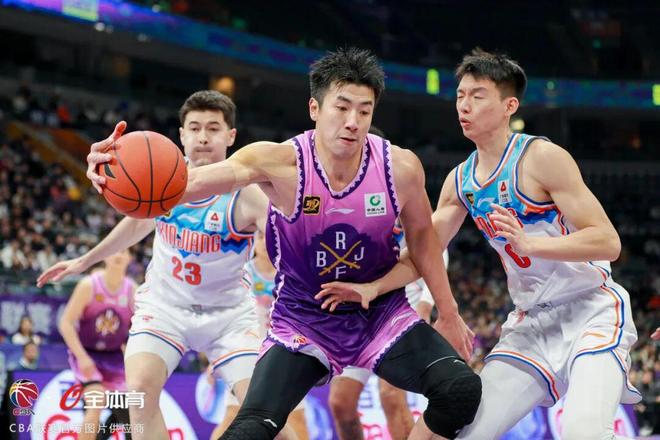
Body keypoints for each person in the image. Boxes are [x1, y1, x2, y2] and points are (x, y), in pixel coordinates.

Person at [87, 47, 481, 440]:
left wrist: (447, 311)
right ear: (314, 108)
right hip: (304, 320)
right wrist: (112, 173)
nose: (353, 122)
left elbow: (424, 240)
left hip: (379, 314)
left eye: (364, 111)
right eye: (342, 107)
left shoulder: (401, 168)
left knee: (460, 390)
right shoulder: (277, 163)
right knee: (252, 429)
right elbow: (184, 184)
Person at [318, 48, 641, 440]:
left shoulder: (541, 157)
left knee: (583, 432)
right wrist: (373, 286)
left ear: (509, 106)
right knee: (466, 430)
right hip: (532, 323)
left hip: (591, 310)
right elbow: (424, 251)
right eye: (460, 96)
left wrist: (530, 244)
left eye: (477, 95)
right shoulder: (461, 180)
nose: (464, 105)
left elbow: (607, 241)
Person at [38, 90, 297, 440]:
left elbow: (289, 245)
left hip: (229, 316)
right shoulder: (160, 181)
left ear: (231, 136)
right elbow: (136, 223)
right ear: (181, 135)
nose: (203, 137)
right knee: (139, 391)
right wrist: (85, 259)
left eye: (213, 128)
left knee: (268, 417)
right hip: (165, 308)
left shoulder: (249, 195)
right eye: (195, 128)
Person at [328, 219, 443, 440]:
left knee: (391, 395)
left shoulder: (400, 203)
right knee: (341, 403)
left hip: (398, 307)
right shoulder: (343, 210)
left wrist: (426, 303)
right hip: (358, 313)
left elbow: (435, 244)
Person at [212, 230, 309, 439]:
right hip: (247, 358)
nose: (265, 242)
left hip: (286, 358)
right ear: (253, 241)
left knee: (297, 420)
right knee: (232, 417)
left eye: (270, 236)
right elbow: (222, 317)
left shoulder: (294, 273)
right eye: (261, 237)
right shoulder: (240, 274)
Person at [57, 250, 135, 440]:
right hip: (87, 354)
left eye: (124, 251)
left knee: (131, 410)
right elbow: (66, 323)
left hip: (115, 357)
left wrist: (132, 355)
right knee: (96, 400)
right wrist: (82, 357)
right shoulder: (89, 285)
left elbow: (138, 328)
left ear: (130, 258)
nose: (119, 255)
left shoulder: (132, 290)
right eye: (116, 250)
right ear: (105, 256)